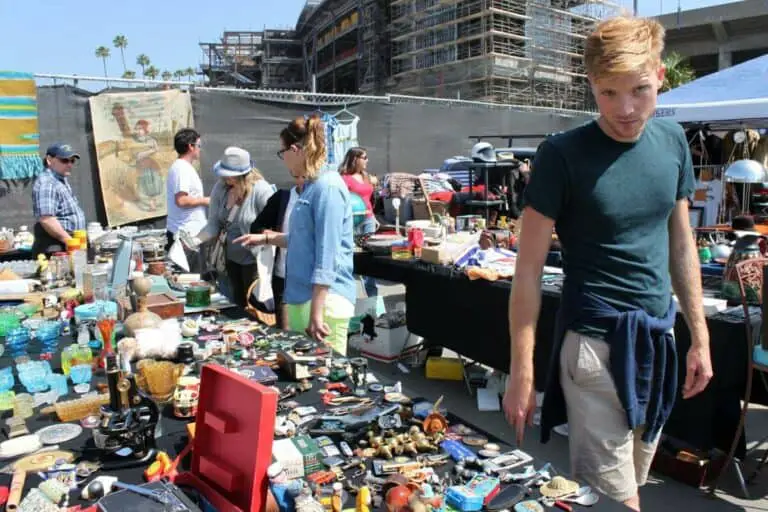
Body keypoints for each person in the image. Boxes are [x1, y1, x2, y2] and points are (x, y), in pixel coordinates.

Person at [502, 16, 713, 512]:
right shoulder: (561, 155)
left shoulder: (672, 142)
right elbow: (528, 269)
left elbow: (681, 244)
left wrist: (699, 337)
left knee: (631, 485)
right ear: (590, 85)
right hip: (592, 348)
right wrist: (521, 369)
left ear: (660, 75)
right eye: (608, 93)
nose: (626, 109)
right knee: (616, 502)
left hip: (657, 339)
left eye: (639, 89)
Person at [235, 115, 356, 355]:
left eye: (282, 154)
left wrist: (316, 314)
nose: (284, 161)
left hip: (324, 304)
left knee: (328, 382)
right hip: (304, 298)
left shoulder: (328, 187)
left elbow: (327, 254)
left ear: (294, 149)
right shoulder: (311, 187)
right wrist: (268, 238)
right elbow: (305, 240)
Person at [192, 147, 274, 307]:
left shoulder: (261, 190)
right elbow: (213, 224)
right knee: (235, 305)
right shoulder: (220, 188)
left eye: (227, 173)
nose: (222, 176)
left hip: (255, 261)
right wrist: (193, 241)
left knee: (256, 307)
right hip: (229, 260)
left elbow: (274, 226)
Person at [249, 177, 303, 329]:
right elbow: (257, 227)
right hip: (284, 277)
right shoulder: (283, 198)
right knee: (286, 332)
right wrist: (270, 236)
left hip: (311, 280)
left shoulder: (321, 200)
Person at [31, 143, 86, 256]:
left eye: (72, 161)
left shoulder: (59, 180)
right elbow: (47, 219)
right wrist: (69, 241)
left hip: (65, 245)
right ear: (49, 160)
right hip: (55, 248)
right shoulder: (48, 183)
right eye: (65, 160)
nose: (69, 164)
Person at [166, 128, 208, 272]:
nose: (199, 150)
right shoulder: (181, 169)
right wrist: (207, 200)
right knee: (191, 280)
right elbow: (182, 200)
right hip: (186, 237)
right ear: (190, 146)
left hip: (191, 235)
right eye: (198, 146)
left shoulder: (184, 168)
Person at [339, 147, 378, 297]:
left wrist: (373, 217)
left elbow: (370, 199)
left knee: (370, 258)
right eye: (364, 157)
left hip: (368, 219)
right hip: (352, 221)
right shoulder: (344, 178)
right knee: (351, 257)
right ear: (355, 159)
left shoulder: (366, 176)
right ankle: (349, 298)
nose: (367, 160)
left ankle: (373, 300)